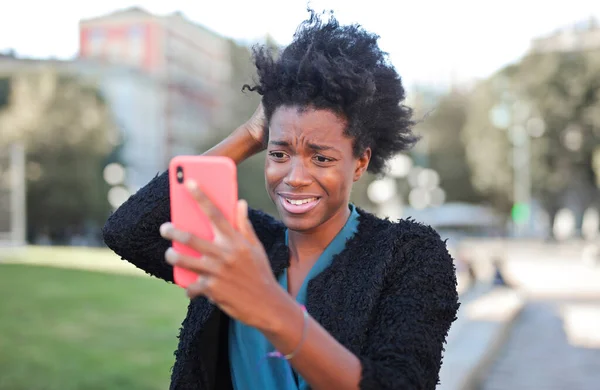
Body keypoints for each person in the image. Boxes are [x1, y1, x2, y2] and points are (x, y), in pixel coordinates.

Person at [102, 10, 459, 390]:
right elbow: (129, 231)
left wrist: (270, 306)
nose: (295, 178)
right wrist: (249, 134)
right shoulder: (241, 241)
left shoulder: (406, 256)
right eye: (279, 154)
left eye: (321, 158)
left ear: (360, 162)